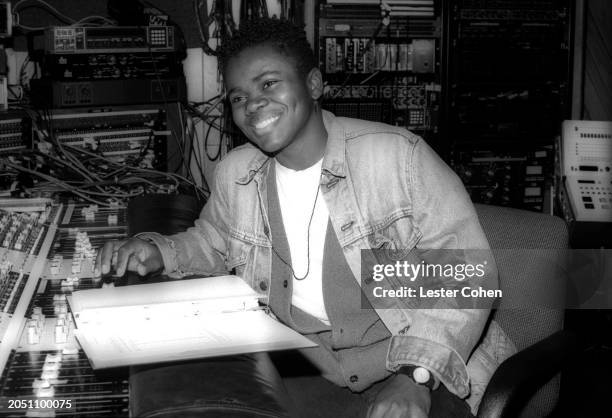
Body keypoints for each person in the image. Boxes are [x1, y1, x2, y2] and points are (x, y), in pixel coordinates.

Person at [96, 17, 515, 418]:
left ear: (313, 84)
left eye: (269, 84)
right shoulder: (237, 173)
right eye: (238, 97)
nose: (252, 104)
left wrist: (416, 376)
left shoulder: (396, 159)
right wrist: (157, 250)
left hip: (411, 367)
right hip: (308, 373)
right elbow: (213, 240)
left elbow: (464, 278)